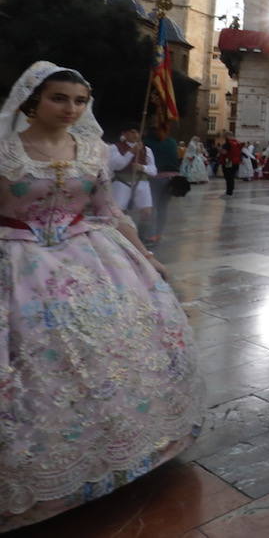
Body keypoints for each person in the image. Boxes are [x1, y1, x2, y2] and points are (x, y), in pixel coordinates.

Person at [0, 62, 202, 530]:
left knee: (107, 356)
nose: (70, 108)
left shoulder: (90, 151)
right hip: (18, 265)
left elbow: (106, 210)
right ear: (32, 100)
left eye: (79, 100)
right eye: (59, 98)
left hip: (91, 263)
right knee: (36, 362)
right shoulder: (5, 151)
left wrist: (147, 258)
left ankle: (117, 451)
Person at [108, 126, 156, 233]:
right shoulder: (114, 148)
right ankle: (121, 236)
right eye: (132, 132)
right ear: (124, 134)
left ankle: (143, 237)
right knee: (119, 213)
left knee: (146, 212)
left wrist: (142, 167)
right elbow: (116, 165)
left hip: (142, 182)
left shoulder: (147, 150)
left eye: (138, 132)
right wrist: (130, 153)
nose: (136, 135)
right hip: (121, 182)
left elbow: (154, 170)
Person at [144, 123, 181, 244]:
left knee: (153, 206)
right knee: (162, 207)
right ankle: (158, 233)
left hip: (157, 178)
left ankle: (152, 234)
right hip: (172, 177)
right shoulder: (172, 142)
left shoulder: (150, 142)